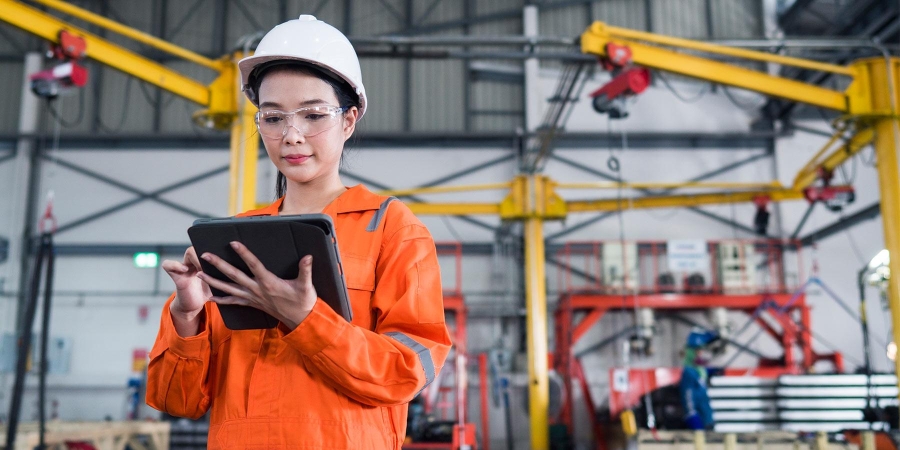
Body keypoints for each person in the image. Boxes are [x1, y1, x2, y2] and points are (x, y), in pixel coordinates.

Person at [146, 15, 452, 449]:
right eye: (272, 118)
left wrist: (306, 319)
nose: (291, 135)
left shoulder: (391, 229)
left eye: (312, 115)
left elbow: (406, 372)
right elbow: (176, 400)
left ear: (348, 120)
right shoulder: (237, 239)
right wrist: (187, 314)